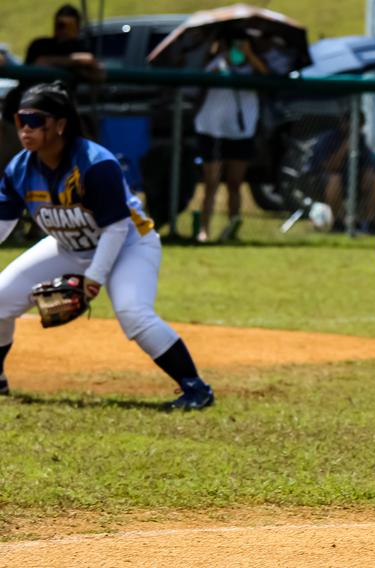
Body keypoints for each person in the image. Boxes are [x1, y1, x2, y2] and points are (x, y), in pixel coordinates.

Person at [0, 82, 214, 410]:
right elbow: (3, 221)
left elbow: (115, 227)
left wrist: (94, 280)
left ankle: (195, 388)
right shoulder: (20, 168)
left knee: (133, 313)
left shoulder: (94, 163)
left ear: (60, 124)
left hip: (129, 243)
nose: (25, 130)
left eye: (35, 120)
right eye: (20, 121)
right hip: (68, 245)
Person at [194, 32, 269, 243]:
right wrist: (221, 58)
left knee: (235, 183)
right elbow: (203, 81)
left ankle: (232, 228)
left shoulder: (253, 66)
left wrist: (249, 54)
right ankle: (204, 230)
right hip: (213, 130)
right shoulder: (216, 63)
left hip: (241, 131)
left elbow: (266, 74)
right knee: (211, 183)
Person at [1, 4, 102, 125]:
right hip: (23, 109)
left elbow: (98, 74)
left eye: (68, 25)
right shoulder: (41, 45)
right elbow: (40, 62)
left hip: (55, 116)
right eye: (60, 24)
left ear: (77, 27)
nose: (63, 29)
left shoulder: (81, 48)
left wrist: (80, 64)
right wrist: (73, 62)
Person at [307, 110, 375, 233]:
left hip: (351, 180)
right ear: (343, 123)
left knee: (373, 179)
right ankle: (337, 222)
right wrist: (346, 146)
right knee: (335, 179)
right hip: (321, 182)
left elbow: (369, 164)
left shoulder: (360, 140)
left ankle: (368, 223)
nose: (354, 129)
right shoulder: (329, 138)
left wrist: (367, 174)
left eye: (359, 125)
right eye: (351, 124)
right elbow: (330, 167)